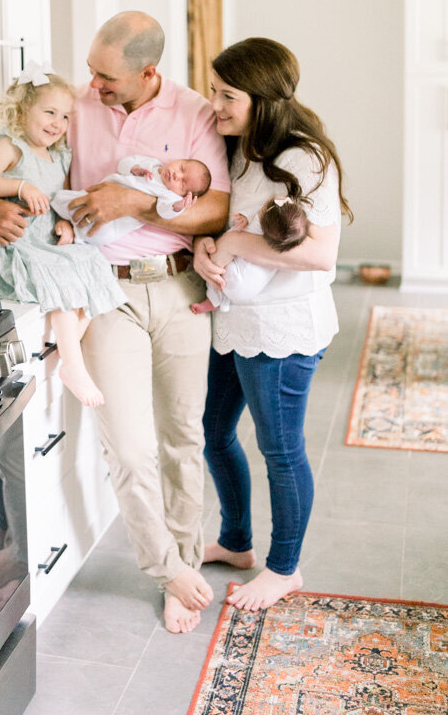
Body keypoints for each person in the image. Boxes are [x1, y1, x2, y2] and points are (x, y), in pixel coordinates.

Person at [0, 11, 231, 634]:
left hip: (177, 289)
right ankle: (168, 570)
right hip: (102, 293)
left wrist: (139, 202)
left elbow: (219, 208)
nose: (93, 85)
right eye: (90, 70)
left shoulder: (195, 113)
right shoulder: (78, 109)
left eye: (105, 75)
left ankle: (186, 561)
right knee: (130, 445)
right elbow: (30, 168)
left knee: (182, 439)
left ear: (148, 72)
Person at [194, 37, 352, 612]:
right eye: (213, 90)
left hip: (283, 331)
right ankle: (236, 542)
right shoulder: (238, 149)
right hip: (234, 320)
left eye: (227, 94)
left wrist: (234, 240)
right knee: (214, 432)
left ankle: (284, 568)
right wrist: (210, 245)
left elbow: (319, 255)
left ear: (262, 98)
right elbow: (228, 219)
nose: (215, 104)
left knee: (281, 451)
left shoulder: (306, 158)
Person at [0, 66, 126, 408]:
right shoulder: (12, 146)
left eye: (65, 116)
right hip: (21, 245)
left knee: (95, 264)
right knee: (63, 282)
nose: (57, 123)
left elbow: (59, 198)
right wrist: (19, 186)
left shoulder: (58, 154)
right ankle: (73, 364)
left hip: (48, 242)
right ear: (22, 110)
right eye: (49, 112)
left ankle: (66, 358)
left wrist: (65, 224)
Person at [52, 154, 212, 246]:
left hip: (119, 221)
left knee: (102, 235)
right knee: (70, 200)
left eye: (183, 184)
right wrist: (134, 168)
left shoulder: (169, 195)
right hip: (102, 191)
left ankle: (77, 236)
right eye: (182, 168)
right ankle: (54, 206)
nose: (177, 175)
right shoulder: (152, 164)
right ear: (179, 159)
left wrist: (178, 206)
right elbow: (124, 163)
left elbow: (163, 211)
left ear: (183, 195)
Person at [191, 196, 309, 313]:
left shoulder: (258, 222)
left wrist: (246, 217)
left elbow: (258, 215)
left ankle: (214, 299)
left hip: (233, 280)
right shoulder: (281, 246)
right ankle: (219, 301)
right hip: (250, 290)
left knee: (223, 251)